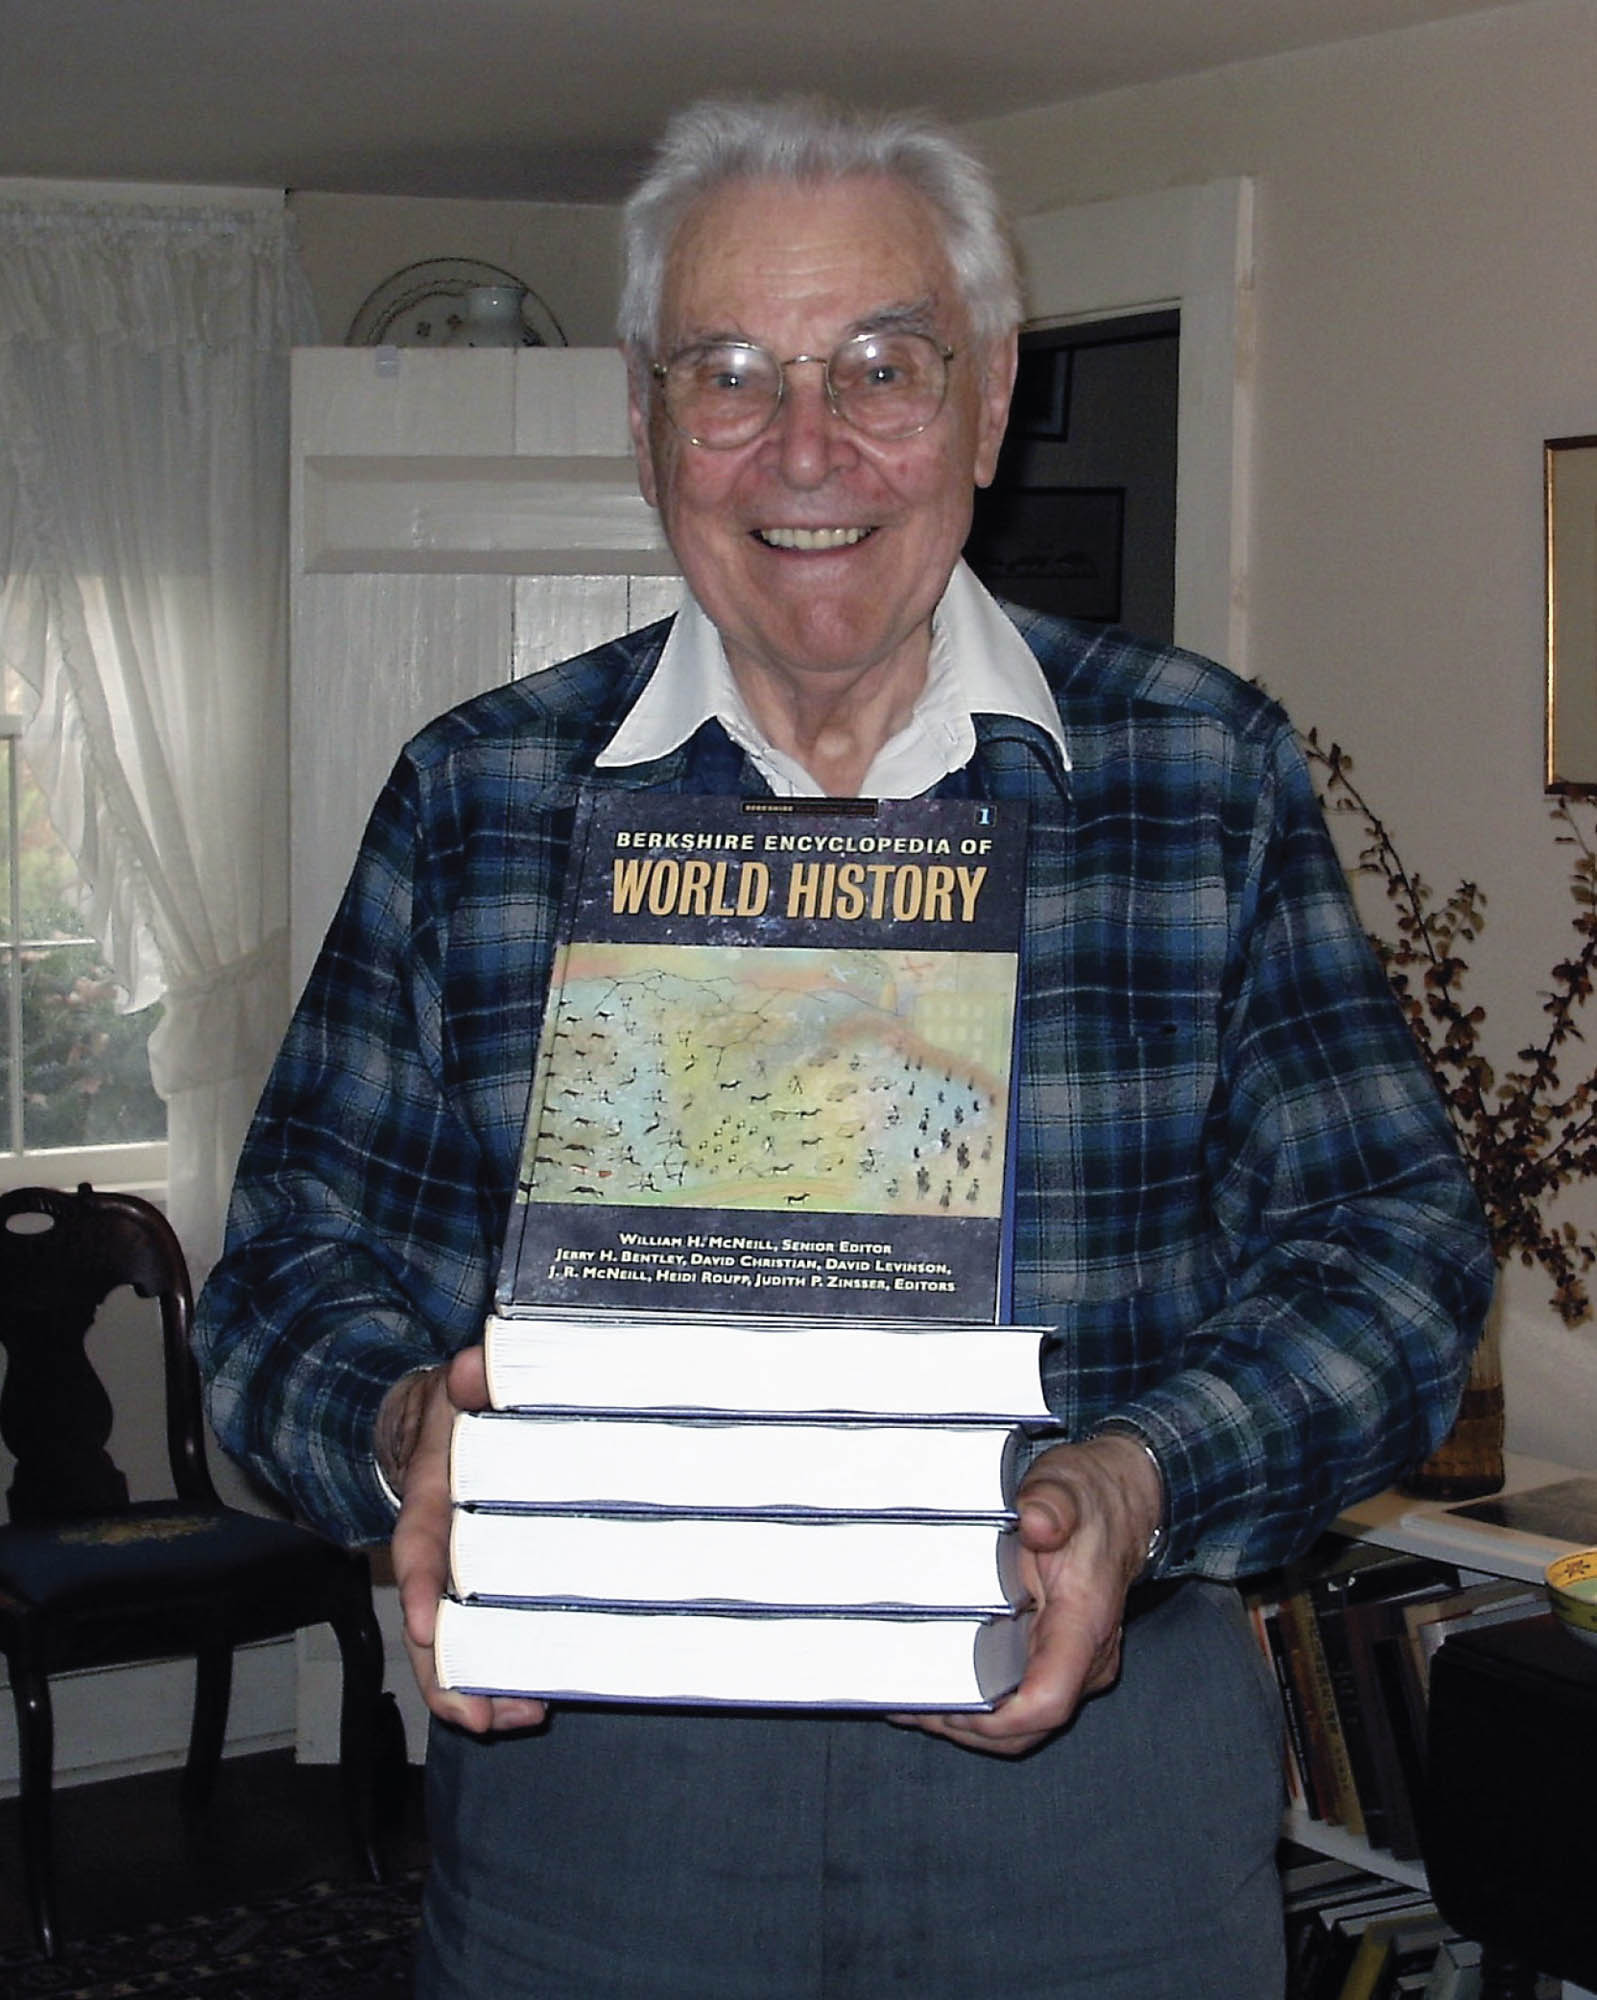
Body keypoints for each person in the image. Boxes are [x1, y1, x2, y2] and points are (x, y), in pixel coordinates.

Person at [195, 96, 1492, 1999]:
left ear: (985, 406)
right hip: (595, 1794)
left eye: (881, 366)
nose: (807, 449)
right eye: (729, 374)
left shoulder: (1197, 773)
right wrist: (405, 1436)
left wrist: (1138, 1483)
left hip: (1090, 1781)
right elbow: (282, 1287)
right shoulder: (480, 799)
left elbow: (1393, 1255)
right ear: (645, 424)